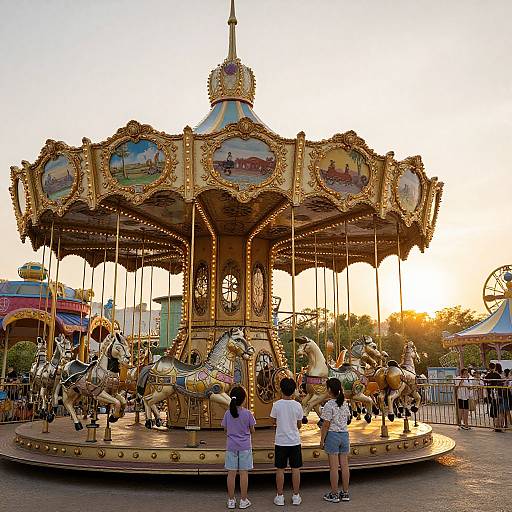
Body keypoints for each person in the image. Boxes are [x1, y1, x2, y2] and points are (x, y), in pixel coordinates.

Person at [270, 378, 304, 506]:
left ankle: (280, 496)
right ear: (294, 390)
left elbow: (272, 420)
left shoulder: (276, 405)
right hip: (294, 441)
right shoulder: (297, 405)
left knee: (280, 469)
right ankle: (296, 495)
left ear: (280, 389)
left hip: (281, 441)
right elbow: (299, 424)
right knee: (296, 469)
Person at [221, 386, 256, 510]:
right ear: (244, 399)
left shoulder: (227, 413)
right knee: (243, 474)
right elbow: (252, 430)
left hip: (231, 446)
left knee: (231, 474)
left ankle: (231, 500)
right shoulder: (248, 413)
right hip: (245, 447)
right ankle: (243, 500)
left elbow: (225, 429)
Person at [320, 378, 352, 503]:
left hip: (333, 435)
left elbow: (326, 425)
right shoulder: (344, 403)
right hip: (344, 435)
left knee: (333, 468)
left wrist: (322, 440)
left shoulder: (329, 405)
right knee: (344, 466)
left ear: (329, 389)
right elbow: (347, 418)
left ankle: (334, 494)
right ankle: (345, 492)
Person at [484, 363, 504, 431]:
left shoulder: (488, 375)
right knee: (499, 410)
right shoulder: (498, 375)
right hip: (499, 394)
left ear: (489, 367)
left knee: (495, 410)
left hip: (493, 395)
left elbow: (485, 381)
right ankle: (500, 426)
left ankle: (496, 426)